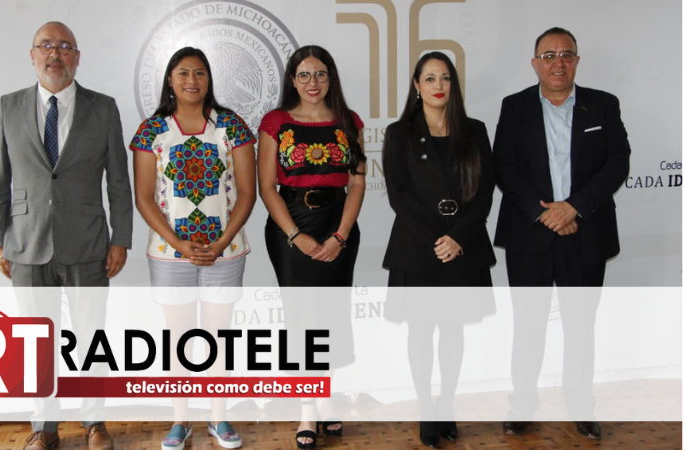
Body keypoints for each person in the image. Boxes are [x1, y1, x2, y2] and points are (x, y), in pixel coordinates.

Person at [0, 21, 132, 450]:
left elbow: (118, 182)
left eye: (64, 46)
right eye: (46, 45)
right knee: (36, 342)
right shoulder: (9, 106)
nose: (55, 53)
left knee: (91, 340)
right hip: (26, 243)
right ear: (32, 55)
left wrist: (120, 238)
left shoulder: (103, 108)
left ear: (77, 57)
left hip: (88, 243)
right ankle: (44, 428)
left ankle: (94, 423)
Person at [493, 27, 631, 440]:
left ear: (577, 61)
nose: (558, 62)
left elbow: (617, 162)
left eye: (566, 54)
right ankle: (523, 403)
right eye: (549, 55)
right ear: (535, 63)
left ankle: (581, 405)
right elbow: (504, 167)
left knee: (581, 327)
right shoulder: (514, 107)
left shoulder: (603, 105)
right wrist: (546, 213)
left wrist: (574, 207)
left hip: (585, 231)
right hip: (530, 234)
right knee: (528, 326)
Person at [130, 47, 256, 450]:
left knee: (219, 337)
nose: (191, 80)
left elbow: (248, 193)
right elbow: (144, 198)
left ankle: (218, 417)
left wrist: (220, 242)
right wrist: (179, 244)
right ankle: (180, 420)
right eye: (183, 73)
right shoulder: (152, 131)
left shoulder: (231, 126)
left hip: (225, 250)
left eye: (199, 73)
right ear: (170, 79)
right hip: (170, 254)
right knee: (177, 340)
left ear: (209, 79)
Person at [382, 52, 496, 448]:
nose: (438, 86)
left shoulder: (475, 130)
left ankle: (446, 402)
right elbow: (398, 194)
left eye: (445, 78)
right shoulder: (399, 133)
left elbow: (484, 193)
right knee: (421, 330)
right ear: (416, 85)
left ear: (453, 84)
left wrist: (458, 237)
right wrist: (439, 238)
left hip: (463, 247)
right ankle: (427, 408)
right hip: (418, 247)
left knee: (452, 329)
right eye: (429, 78)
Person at [257, 45, 366, 449]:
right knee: (303, 320)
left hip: (339, 226)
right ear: (292, 80)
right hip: (291, 227)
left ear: (331, 78)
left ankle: (325, 398)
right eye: (304, 75)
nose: (312, 82)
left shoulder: (349, 121)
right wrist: (294, 235)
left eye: (320, 74)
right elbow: (267, 187)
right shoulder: (275, 122)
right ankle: (308, 408)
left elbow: (357, 183)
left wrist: (340, 236)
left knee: (331, 317)